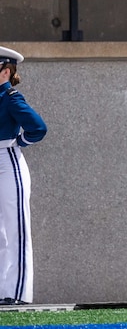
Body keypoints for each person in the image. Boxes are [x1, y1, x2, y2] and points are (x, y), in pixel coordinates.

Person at [0, 47, 47, 306]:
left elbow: (38, 127)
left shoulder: (10, 97)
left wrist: (19, 141)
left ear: (6, 72)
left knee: (15, 227)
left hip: (8, 160)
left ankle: (17, 292)